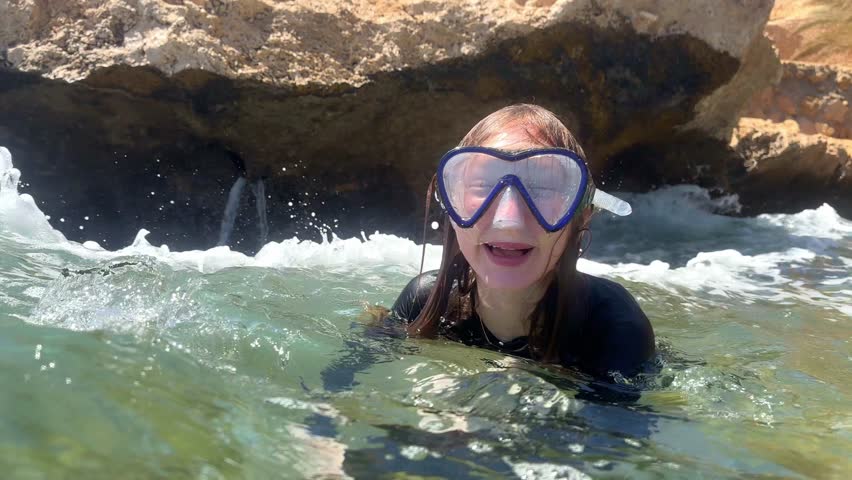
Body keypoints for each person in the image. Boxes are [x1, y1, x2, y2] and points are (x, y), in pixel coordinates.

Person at [391, 104, 655, 379]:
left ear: (583, 214)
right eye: (483, 185)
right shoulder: (425, 301)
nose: (509, 219)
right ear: (450, 203)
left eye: (542, 188)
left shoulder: (613, 326)